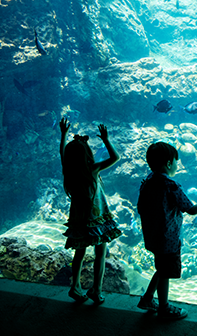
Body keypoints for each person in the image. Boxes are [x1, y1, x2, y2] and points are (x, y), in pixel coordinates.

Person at [137, 142, 197, 320]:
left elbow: (141, 208)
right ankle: (164, 307)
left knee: (161, 268)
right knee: (165, 271)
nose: (176, 165)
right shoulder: (170, 186)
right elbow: (191, 210)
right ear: (168, 163)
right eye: (175, 161)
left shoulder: (148, 182)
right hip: (168, 238)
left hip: (153, 236)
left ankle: (148, 298)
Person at [59, 117, 122, 304]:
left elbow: (63, 154)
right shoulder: (92, 170)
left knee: (79, 253)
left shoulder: (69, 171)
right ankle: (96, 289)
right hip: (97, 219)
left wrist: (63, 135)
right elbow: (115, 158)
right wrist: (106, 139)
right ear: (87, 153)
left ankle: (75, 287)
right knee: (101, 253)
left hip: (79, 220)